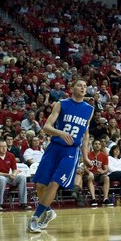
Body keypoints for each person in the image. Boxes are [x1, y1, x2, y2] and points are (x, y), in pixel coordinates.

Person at [27, 78, 94, 232]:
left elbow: (85, 135)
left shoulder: (89, 109)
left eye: (85, 86)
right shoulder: (61, 104)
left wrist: (85, 157)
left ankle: (35, 218)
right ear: (72, 88)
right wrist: (60, 133)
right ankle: (48, 211)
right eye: (80, 85)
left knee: (54, 183)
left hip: (71, 151)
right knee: (39, 184)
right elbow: (46, 127)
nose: (83, 88)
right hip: (54, 147)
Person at [0, 139, 29, 211]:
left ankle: (23, 203)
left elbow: (14, 169)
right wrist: (9, 175)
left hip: (7, 177)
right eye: (1, 147)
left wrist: (14, 174)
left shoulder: (11, 155)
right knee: (2, 179)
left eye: (5, 146)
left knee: (22, 177)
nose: (4, 148)